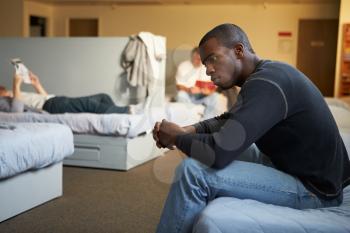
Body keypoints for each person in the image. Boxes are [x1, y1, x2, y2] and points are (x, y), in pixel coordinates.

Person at [152, 23, 350, 233]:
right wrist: (186, 131)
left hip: (315, 190)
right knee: (202, 147)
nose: (208, 69)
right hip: (291, 165)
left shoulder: (267, 83)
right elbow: (229, 119)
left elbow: (219, 152)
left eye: (212, 59)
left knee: (192, 172)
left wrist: (175, 138)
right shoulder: (266, 74)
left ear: (238, 50)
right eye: (204, 63)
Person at [0, 72, 130, 114]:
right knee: (90, 104)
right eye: (3, 92)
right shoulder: (5, 102)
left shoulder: (12, 94)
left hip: (53, 99)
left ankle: (115, 114)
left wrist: (36, 84)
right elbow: (16, 111)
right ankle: (127, 111)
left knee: (103, 96)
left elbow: (42, 98)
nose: (6, 92)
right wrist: (16, 85)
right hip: (50, 106)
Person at [175, 47, 224, 119]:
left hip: (203, 97)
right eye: (195, 58)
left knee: (217, 97)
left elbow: (215, 88)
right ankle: (189, 117)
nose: (197, 61)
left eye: (199, 59)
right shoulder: (183, 66)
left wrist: (208, 92)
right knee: (181, 95)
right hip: (189, 95)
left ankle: (207, 120)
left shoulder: (207, 67)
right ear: (191, 57)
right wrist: (189, 90)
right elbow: (178, 86)